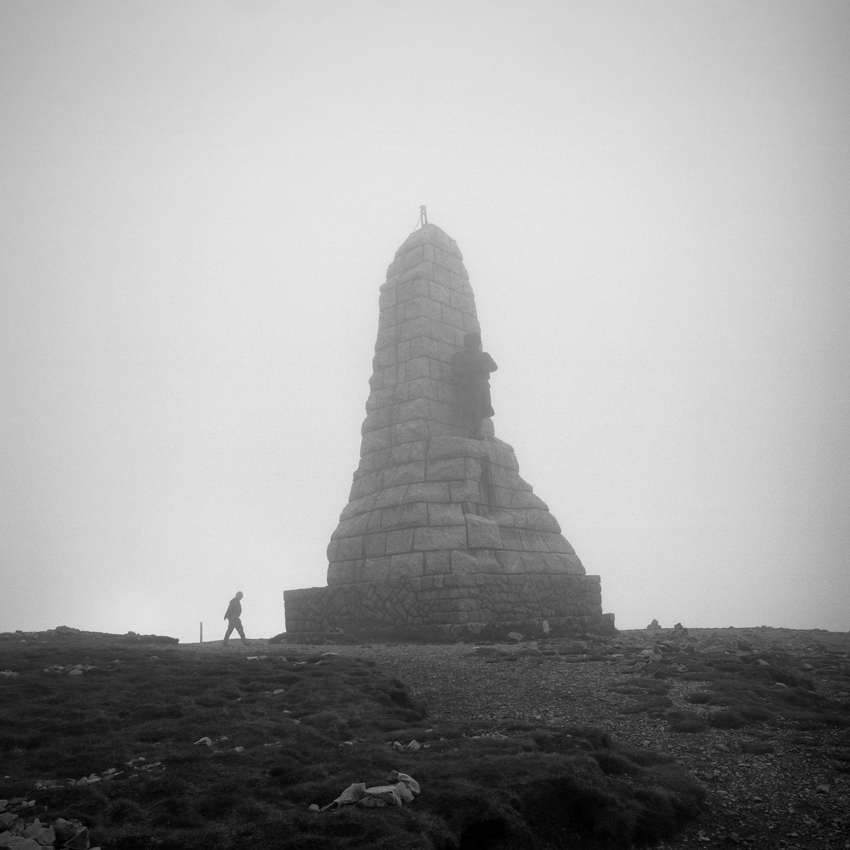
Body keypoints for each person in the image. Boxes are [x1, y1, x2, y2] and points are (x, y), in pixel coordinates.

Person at [452, 331, 498, 439]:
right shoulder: (461, 355)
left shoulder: (484, 356)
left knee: (480, 408)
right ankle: (475, 432)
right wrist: (472, 369)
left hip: (482, 386)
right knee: (474, 407)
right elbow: (456, 370)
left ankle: (477, 431)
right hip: (470, 385)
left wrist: (482, 368)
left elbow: (494, 366)